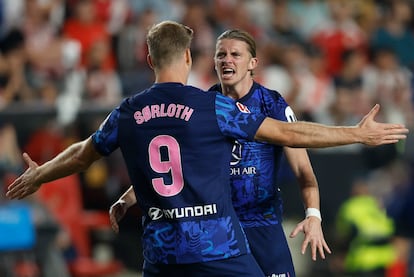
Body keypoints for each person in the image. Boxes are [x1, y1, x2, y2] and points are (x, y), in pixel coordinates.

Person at [7, 20, 408, 277]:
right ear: (189, 57)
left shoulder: (127, 112)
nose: (226, 60)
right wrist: (355, 134)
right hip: (217, 248)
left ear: (148, 58)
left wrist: (40, 173)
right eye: (220, 54)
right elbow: (294, 135)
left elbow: (84, 153)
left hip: (163, 253)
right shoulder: (211, 107)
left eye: (235, 54)